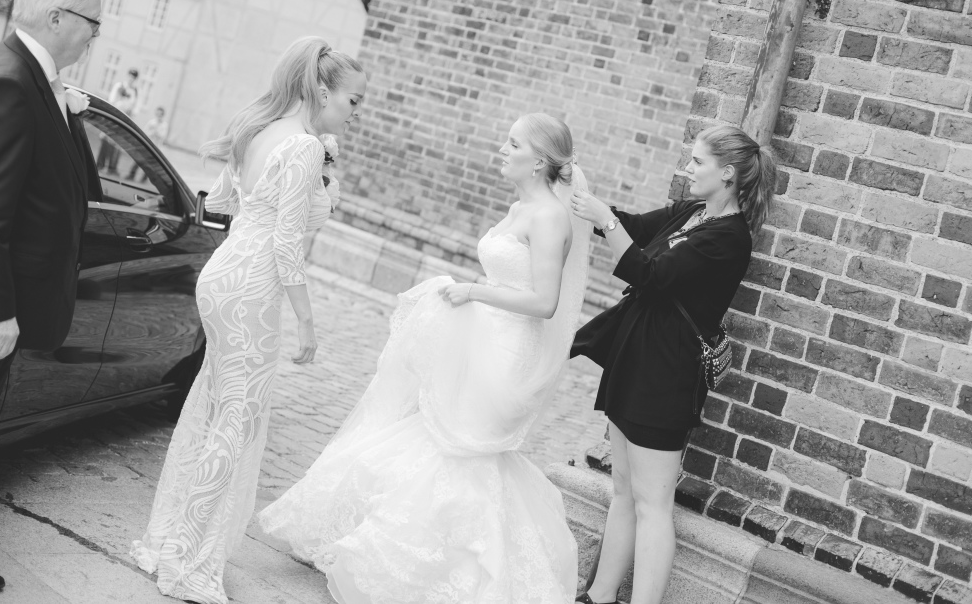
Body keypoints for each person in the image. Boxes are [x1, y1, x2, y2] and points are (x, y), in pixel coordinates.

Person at [258, 113, 592, 604]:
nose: (502, 149)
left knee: (463, 448)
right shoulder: (520, 207)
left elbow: (544, 302)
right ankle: (403, 552)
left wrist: (473, 291)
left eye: (513, 143)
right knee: (440, 437)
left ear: (539, 160)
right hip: (483, 338)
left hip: (505, 351)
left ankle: (449, 572)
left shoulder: (549, 216)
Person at [130, 37, 366, 604]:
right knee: (235, 422)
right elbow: (286, 245)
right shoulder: (303, 147)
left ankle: (170, 541)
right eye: (354, 100)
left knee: (212, 408)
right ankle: (186, 561)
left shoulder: (258, 128)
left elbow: (222, 203)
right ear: (322, 91)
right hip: (254, 288)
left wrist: (311, 185)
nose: (356, 112)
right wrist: (306, 321)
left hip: (222, 277)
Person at [567, 125, 777, 604]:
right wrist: (579, 194)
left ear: (728, 173)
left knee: (654, 503)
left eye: (698, 162)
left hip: (666, 375)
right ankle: (599, 596)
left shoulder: (730, 238)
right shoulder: (692, 212)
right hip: (634, 358)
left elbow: (651, 274)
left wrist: (606, 221)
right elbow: (633, 227)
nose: (688, 168)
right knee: (624, 490)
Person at [0, 0, 102, 593]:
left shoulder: (30, 80)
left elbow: (74, 190)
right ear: (56, 17)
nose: (95, 36)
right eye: (92, 22)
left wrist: (69, 117)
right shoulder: (10, 82)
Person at [97, 67, 137, 174]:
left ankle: (112, 167)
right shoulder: (119, 86)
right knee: (106, 140)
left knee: (117, 144)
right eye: (130, 76)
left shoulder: (135, 91)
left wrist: (131, 111)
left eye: (133, 78)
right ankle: (100, 164)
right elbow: (112, 101)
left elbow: (135, 107)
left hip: (124, 120)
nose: (131, 79)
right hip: (114, 117)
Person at [127, 106, 168, 182]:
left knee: (149, 164)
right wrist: (152, 132)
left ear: (162, 115)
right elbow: (145, 132)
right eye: (157, 113)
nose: (158, 115)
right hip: (147, 144)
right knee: (139, 160)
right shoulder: (151, 122)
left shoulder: (164, 125)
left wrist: (156, 132)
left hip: (155, 147)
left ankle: (144, 179)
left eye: (160, 114)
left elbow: (163, 136)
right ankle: (131, 175)